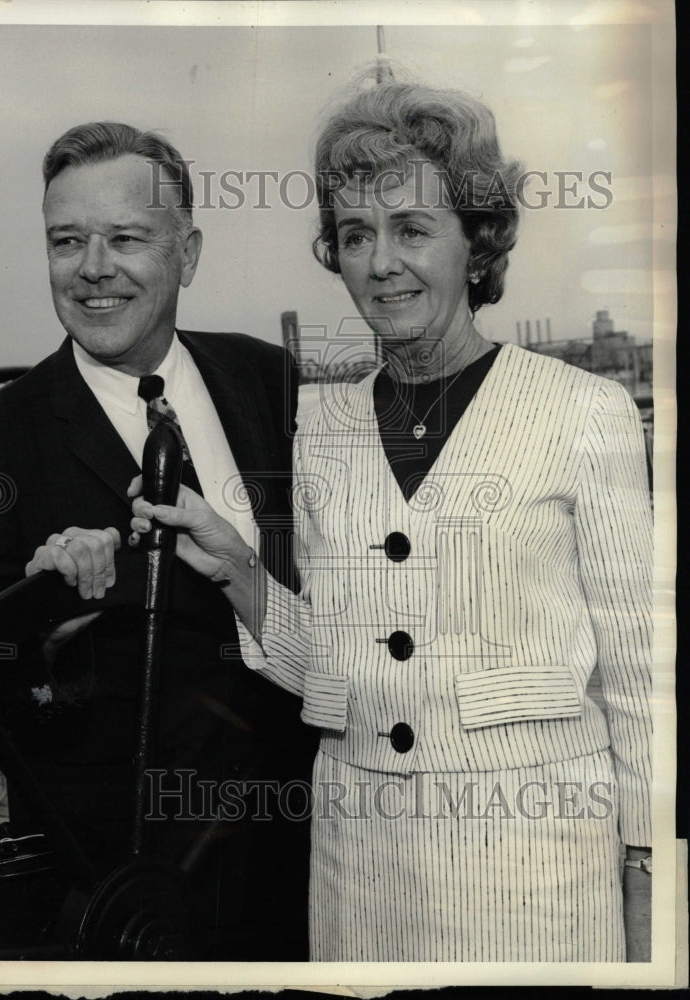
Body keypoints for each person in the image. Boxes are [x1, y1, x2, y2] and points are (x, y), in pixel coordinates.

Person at [129, 81, 653, 962]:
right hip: (360, 872)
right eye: (356, 235)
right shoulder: (319, 425)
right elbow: (330, 671)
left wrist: (647, 871)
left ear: (475, 245)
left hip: (537, 875)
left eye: (413, 229)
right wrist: (240, 573)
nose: (381, 263)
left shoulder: (583, 410)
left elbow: (641, 679)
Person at [0, 122, 315, 960]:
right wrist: (44, 624)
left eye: (126, 238)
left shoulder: (265, 379)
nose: (93, 268)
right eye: (67, 241)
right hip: (127, 896)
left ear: (188, 253)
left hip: (308, 858)